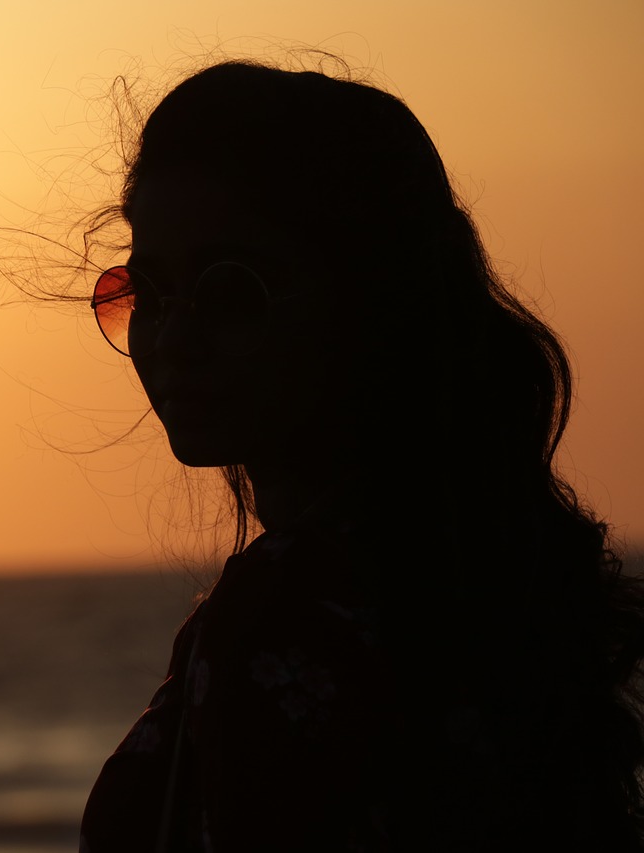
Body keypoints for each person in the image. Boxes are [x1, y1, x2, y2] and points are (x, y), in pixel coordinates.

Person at [77, 59, 644, 852]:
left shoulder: (286, 616)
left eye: (231, 289)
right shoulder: (483, 577)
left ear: (367, 308)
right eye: (149, 288)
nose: (172, 337)